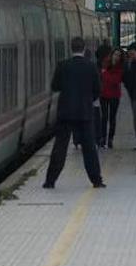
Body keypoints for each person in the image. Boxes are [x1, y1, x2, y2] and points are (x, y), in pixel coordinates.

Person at [44, 36, 105, 189]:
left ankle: (50, 181)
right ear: (84, 49)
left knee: (60, 147)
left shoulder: (63, 65)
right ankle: (96, 180)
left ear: (71, 48)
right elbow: (98, 89)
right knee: (89, 148)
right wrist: (88, 100)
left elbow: (55, 86)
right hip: (85, 112)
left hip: (65, 112)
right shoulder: (90, 66)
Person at [99, 49, 125, 149]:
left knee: (112, 118)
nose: (116, 57)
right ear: (112, 54)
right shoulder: (105, 62)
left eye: (118, 55)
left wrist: (105, 74)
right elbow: (102, 77)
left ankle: (110, 139)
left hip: (114, 95)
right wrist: (107, 75)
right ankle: (103, 138)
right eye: (115, 54)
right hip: (103, 94)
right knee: (104, 117)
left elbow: (116, 80)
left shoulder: (120, 67)